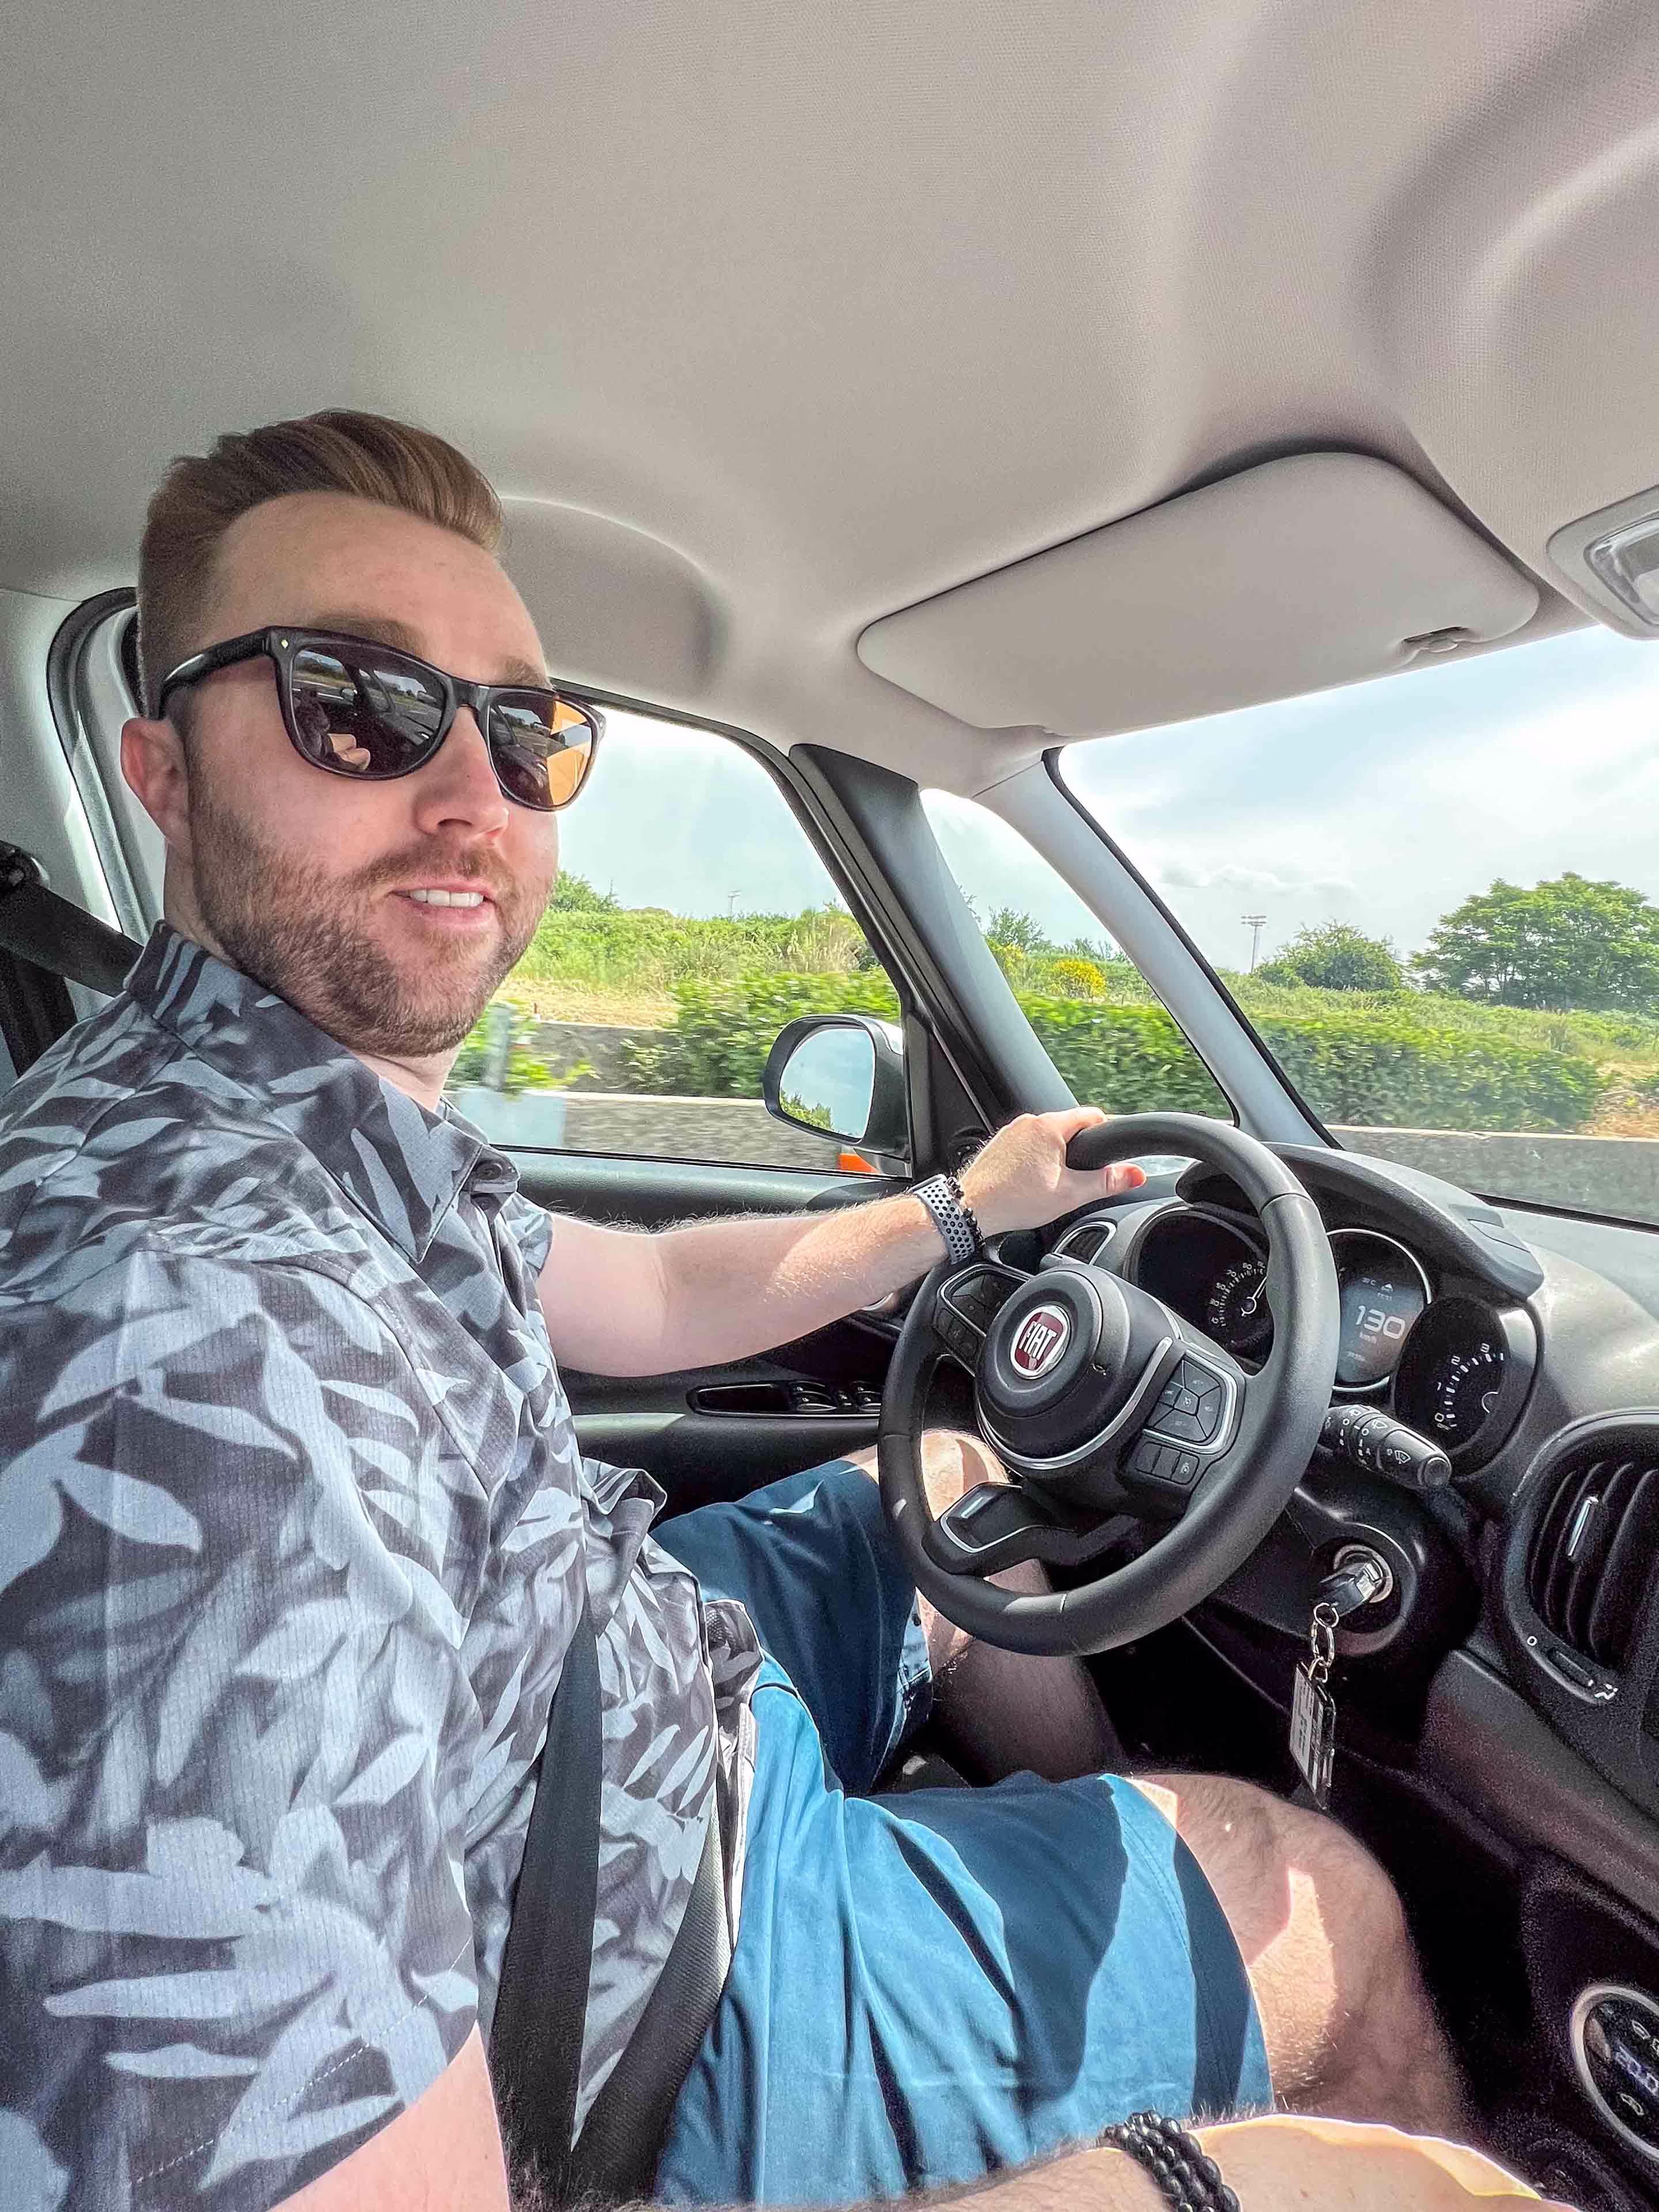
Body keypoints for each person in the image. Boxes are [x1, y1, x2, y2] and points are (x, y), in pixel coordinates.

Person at [0, 411, 1563, 2212]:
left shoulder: (293, 1116)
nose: (467, 797)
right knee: (1336, 1916)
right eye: (356, 703)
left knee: (957, 1484)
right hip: (631, 2020)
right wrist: (1201, 2185)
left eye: (526, 731)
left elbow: (650, 1287)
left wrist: (967, 1203)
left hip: (602, 1701)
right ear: (163, 769)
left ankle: (1077, 1874)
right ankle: (1149, 1972)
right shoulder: (171, 1372)